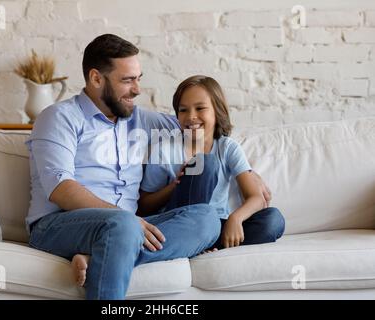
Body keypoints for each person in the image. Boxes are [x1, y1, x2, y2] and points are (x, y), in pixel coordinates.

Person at [25, 34, 272, 300]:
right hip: (59, 224)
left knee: (207, 219)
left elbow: (198, 126)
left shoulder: (141, 120)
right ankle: (114, 248)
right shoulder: (59, 117)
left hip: (130, 224)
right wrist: (126, 219)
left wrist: (248, 172)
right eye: (127, 80)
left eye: (138, 78)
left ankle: (100, 255)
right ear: (96, 79)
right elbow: (61, 188)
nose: (137, 89)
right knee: (122, 225)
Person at [139, 75, 285, 250]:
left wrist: (235, 218)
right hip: (179, 223)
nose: (191, 116)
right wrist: (176, 186)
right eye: (183, 110)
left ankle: (205, 245)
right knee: (204, 163)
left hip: (218, 225)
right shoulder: (163, 150)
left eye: (200, 108)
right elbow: (144, 206)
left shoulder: (228, 148)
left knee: (273, 220)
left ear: (217, 111)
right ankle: (196, 239)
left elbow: (256, 198)